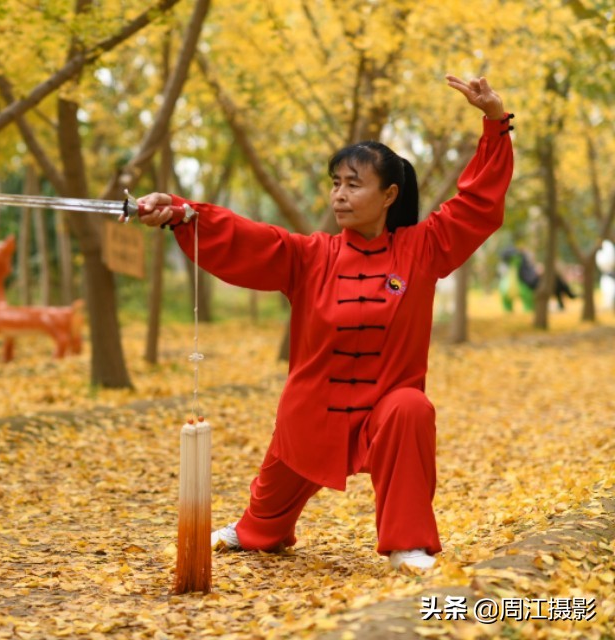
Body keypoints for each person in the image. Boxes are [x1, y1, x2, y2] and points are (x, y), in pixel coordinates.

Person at [137, 76, 514, 571]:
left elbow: (477, 205)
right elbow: (249, 239)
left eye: (353, 184)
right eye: (336, 183)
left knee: (411, 408)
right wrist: (184, 216)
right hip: (313, 410)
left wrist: (494, 122)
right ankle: (259, 527)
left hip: (386, 406)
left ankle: (408, 543)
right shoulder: (310, 255)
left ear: (389, 196)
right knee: (261, 527)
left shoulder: (424, 248)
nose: (339, 195)